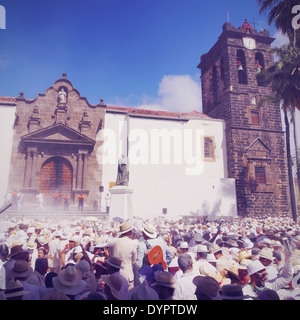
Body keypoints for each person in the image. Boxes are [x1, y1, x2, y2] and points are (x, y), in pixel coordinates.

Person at [108, 220, 138, 290]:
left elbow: (110, 257)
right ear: (128, 232)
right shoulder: (133, 243)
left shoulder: (112, 242)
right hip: (127, 275)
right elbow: (134, 262)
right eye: (131, 231)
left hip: (114, 273)